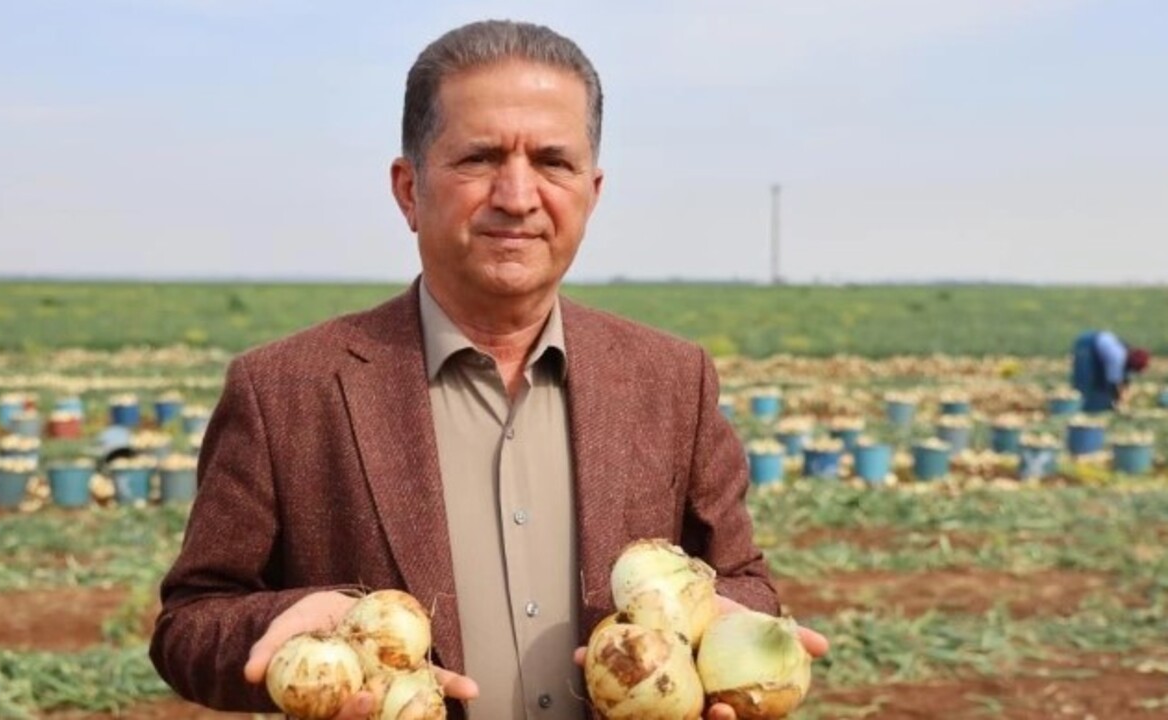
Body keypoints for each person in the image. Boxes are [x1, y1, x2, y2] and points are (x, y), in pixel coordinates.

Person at [149, 19, 827, 719]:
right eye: (479, 158)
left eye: (553, 162)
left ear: (592, 193)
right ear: (408, 190)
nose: (517, 196)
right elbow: (191, 621)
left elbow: (740, 578)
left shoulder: (672, 380)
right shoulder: (286, 391)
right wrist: (309, 633)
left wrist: (723, 630)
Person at [1071, 330, 1151, 412]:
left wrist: (1123, 394)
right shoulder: (1117, 358)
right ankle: (1079, 406)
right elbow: (1113, 382)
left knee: (1099, 383)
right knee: (1085, 379)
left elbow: (1125, 380)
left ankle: (1092, 403)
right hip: (1087, 344)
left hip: (1099, 348)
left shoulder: (1126, 356)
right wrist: (1119, 399)